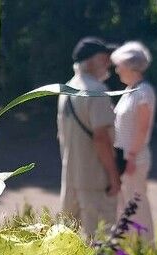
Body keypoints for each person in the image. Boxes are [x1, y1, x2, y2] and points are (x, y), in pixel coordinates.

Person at [58, 37, 121, 237]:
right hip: (95, 180)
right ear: (91, 61)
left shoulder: (66, 89)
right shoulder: (96, 91)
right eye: (104, 58)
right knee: (101, 242)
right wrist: (113, 176)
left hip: (71, 177)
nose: (108, 63)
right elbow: (101, 138)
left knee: (71, 242)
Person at [111, 41, 156, 241]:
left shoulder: (143, 91)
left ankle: (146, 249)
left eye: (119, 65)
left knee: (137, 206)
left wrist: (131, 157)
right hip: (125, 157)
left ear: (130, 66)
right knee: (126, 206)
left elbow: (142, 127)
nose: (117, 69)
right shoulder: (131, 90)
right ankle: (129, 251)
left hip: (134, 159)